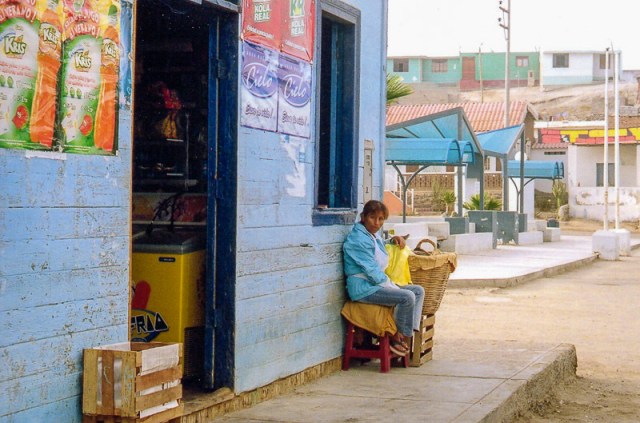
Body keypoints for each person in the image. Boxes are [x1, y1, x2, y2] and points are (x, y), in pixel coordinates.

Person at [343, 200, 425, 356]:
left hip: (376, 285)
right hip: (363, 289)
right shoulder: (357, 240)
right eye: (372, 217)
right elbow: (372, 272)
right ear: (363, 217)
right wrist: (391, 285)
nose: (377, 223)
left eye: (381, 219)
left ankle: (407, 335)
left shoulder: (372, 235)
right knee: (407, 296)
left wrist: (392, 240)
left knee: (418, 291)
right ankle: (396, 336)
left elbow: (377, 248)